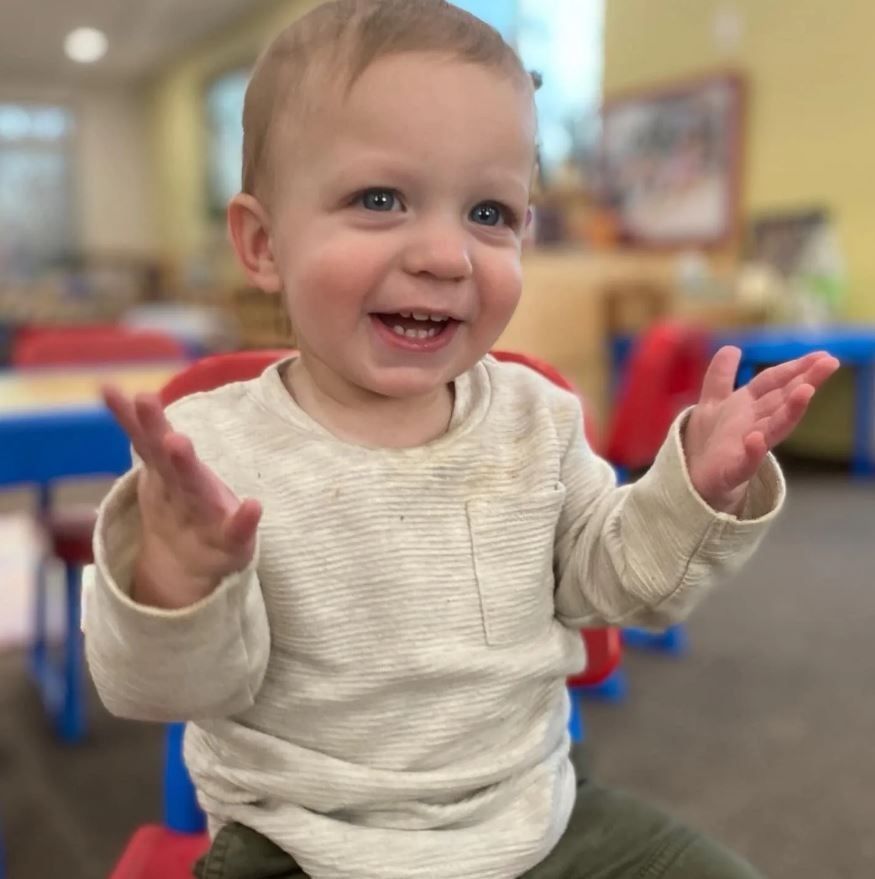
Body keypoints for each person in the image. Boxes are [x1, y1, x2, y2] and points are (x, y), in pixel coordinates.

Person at [83, 2, 839, 877]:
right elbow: (161, 691)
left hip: (535, 818)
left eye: (489, 212)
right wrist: (177, 578)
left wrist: (693, 492)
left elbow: (618, 583)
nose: (447, 255)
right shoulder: (207, 450)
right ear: (262, 243)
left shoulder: (535, 416)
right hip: (305, 841)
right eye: (379, 199)